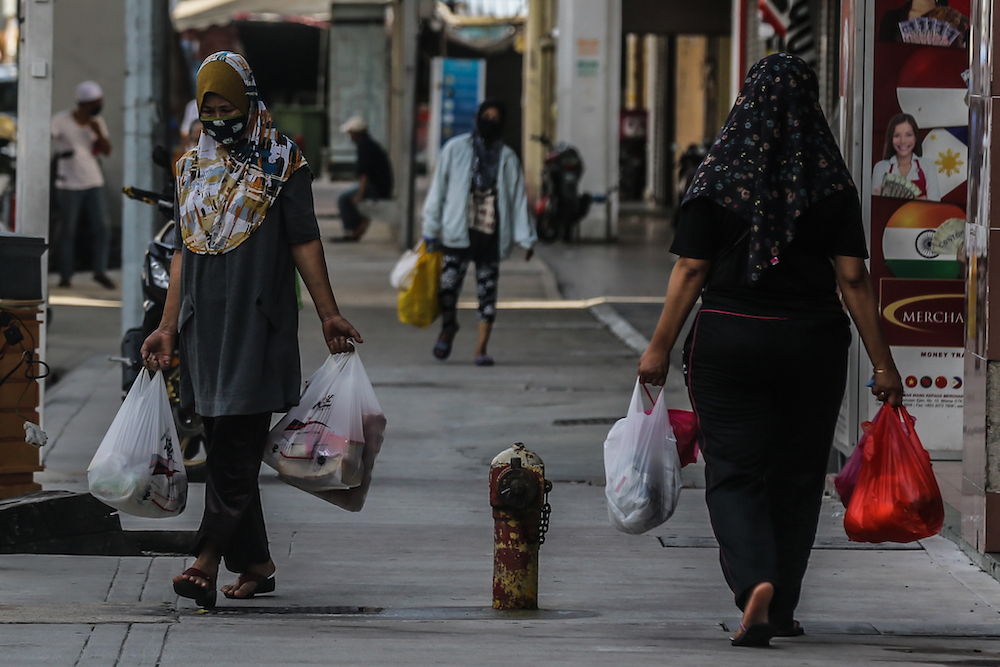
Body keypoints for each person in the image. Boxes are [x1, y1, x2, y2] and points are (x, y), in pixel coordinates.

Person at [637, 53, 904, 648]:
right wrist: (884, 365)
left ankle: (754, 582)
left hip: (729, 337)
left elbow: (692, 269)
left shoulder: (716, 177)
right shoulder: (830, 183)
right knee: (798, 474)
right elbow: (855, 280)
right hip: (811, 341)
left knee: (734, 470)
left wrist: (658, 348)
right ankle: (780, 604)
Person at [140, 51, 362, 609]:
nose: (218, 118)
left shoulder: (283, 161)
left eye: (227, 106)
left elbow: (304, 241)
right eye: (207, 108)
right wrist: (168, 327)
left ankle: (205, 560)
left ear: (247, 101)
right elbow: (185, 253)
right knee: (223, 448)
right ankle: (258, 562)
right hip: (204, 328)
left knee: (234, 448)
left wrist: (327, 313)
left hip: (256, 322)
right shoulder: (191, 168)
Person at [421, 99, 536, 366]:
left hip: (491, 235)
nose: (490, 122)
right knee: (446, 289)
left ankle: (481, 349)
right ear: (478, 117)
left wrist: (527, 238)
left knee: (487, 294)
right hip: (457, 231)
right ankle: (448, 327)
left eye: (496, 118)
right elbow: (438, 189)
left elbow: (518, 199)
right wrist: (430, 227)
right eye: (487, 116)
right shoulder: (455, 149)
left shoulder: (508, 157)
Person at [51, 80, 115, 289]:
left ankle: (99, 270)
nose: (99, 106)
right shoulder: (61, 120)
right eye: (96, 102)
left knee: (102, 227)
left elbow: (106, 150)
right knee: (68, 230)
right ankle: (66, 274)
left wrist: (96, 131)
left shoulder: (97, 122)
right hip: (68, 183)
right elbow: (46, 136)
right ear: (85, 103)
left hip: (93, 180)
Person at [333, 115, 393, 242]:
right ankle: (357, 229)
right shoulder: (369, 144)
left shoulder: (364, 147)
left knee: (343, 198)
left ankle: (351, 229)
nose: (350, 136)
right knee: (348, 197)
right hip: (380, 186)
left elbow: (364, 174)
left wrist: (360, 194)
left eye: (350, 133)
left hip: (376, 187)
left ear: (355, 133)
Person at [871, 113, 941, 201]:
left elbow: (934, 203)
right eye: (897, 135)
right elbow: (877, 204)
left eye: (909, 135)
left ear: (915, 137)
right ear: (890, 138)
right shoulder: (881, 167)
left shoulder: (927, 165)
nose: (903, 141)